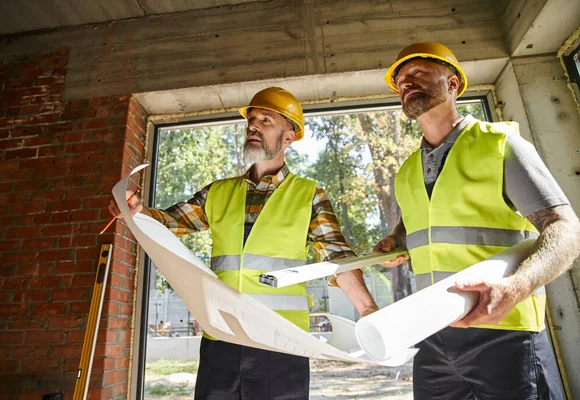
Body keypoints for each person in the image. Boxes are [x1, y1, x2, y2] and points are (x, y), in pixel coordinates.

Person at [109, 87, 378, 400]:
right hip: (221, 339)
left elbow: (338, 258)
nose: (253, 125)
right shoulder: (218, 192)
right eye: (251, 119)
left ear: (288, 136)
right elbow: (169, 223)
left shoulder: (309, 195)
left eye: (266, 119)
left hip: (279, 344)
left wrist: (368, 310)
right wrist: (136, 213)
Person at [374, 42, 580, 400]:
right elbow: (423, 223)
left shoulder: (501, 145)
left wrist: (516, 287)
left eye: (418, 73)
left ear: (453, 84)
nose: (406, 82)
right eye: (400, 80)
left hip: (505, 330)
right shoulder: (407, 171)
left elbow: (565, 228)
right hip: (433, 334)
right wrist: (396, 240)